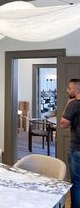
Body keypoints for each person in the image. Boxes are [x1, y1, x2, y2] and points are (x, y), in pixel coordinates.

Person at [60, 78, 80, 208]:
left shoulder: (74, 104)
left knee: (77, 183)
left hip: (77, 149)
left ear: (76, 90)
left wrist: (67, 104)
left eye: (69, 88)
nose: (67, 90)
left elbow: (63, 124)